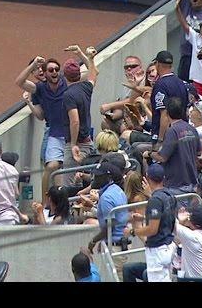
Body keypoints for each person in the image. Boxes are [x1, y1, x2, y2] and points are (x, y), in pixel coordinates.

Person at [15, 56, 67, 198]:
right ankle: (48, 201)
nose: (40, 71)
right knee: (50, 165)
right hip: (53, 131)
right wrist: (29, 103)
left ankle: (59, 198)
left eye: (55, 69)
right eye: (36, 69)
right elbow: (40, 115)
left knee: (60, 168)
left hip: (68, 132)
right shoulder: (39, 89)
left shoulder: (64, 81)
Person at [127, 163, 178, 282]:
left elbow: (152, 229)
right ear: (163, 178)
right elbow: (165, 219)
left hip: (158, 249)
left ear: (147, 178)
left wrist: (132, 231)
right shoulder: (169, 195)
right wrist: (144, 218)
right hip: (167, 246)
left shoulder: (155, 200)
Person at [143, 96, 201, 195]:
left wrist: (149, 154)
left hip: (176, 185)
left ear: (167, 113)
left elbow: (162, 157)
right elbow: (199, 152)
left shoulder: (172, 131)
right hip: (192, 183)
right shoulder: (192, 129)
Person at [62, 45, 99, 186]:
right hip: (87, 143)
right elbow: (94, 72)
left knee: (69, 185)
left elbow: (75, 121)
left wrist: (72, 144)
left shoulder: (68, 95)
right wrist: (86, 57)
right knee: (82, 181)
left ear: (65, 76)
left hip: (77, 145)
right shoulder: (86, 87)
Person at [87, 162, 129, 277]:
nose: (95, 178)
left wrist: (93, 241)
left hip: (116, 246)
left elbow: (109, 226)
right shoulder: (117, 189)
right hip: (120, 243)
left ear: (108, 177)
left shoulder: (106, 198)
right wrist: (104, 240)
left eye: (98, 176)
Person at [149, 50, 190, 147]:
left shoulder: (160, 85)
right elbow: (187, 111)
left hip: (168, 136)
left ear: (157, 64)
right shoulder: (181, 82)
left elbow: (164, 114)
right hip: (182, 134)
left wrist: (160, 140)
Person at [174, 207, 202, 280]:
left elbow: (172, 224)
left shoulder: (191, 236)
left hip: (192, 279)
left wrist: (181, 219)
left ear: (191, 222)